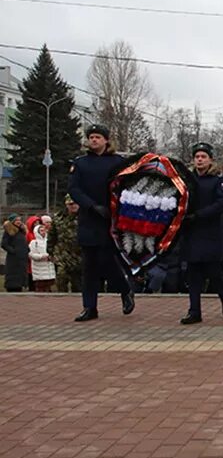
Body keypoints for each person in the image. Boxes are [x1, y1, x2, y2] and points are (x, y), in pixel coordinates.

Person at [68, 124, 133, 321]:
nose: (94, 140)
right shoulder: (80, 163)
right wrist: (91, 206)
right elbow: (74, 189)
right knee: (89, 267)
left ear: (106, 140)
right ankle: (90, 307)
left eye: (97, 137)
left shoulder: (117, 162)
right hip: (89, 218)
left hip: (110, 220)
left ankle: (125, 289)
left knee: (106, 262)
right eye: (91, 137)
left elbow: (126, 186)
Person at [180, 142, 223, 325]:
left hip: (211, 233)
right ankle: (194, 311)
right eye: (197, 157)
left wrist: (199, 215)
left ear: (210, 160)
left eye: (203, 157)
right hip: (192, 233)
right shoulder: (186, 180)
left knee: (213, 272)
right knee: (193, 274)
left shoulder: (218, 181)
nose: (200, 160)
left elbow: (222, 204)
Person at [48, 196, 82, 293]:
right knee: (61, 279)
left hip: (79, 257)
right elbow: (52, 235)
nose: (73, 206)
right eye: (70, 204)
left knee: (78, 286)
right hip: (62, 255)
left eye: (75, 203)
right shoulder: (58, 217)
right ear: (66, 204)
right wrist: (50, 251)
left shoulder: (84, 217)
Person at [28, 216, 56, 292]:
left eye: (44, 230)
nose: (43, 232)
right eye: (41, 231)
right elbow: (31, 255)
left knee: (49, 287)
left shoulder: (48, 241)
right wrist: (42, 256)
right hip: (39, 270)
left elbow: (53, 251)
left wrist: (52, 257)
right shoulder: (34, 242)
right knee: (40, 288)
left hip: (49, 269)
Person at [2, 215, 29, 292]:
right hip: (13, 259)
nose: (19, 222)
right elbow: (4, 244)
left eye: (20, 220)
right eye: (17, 220)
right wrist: (13, 251)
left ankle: (21, 286)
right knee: (13, 277)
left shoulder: (21, 231)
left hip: (22, 258)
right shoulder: (9, 231)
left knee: (21, 276)